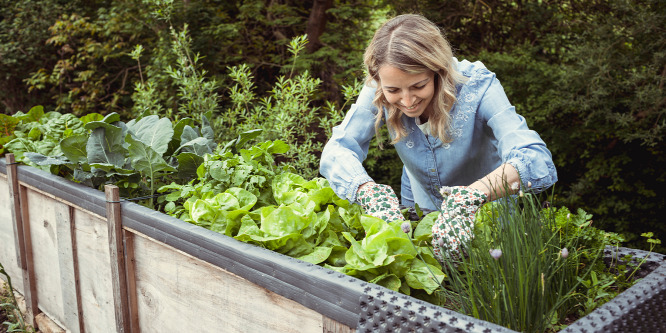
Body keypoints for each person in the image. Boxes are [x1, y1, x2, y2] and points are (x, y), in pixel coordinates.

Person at [318, 14, 558, 262]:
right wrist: (366, 191)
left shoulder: (478, 85)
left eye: (418, 86)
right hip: (420, 204)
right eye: (393, 90)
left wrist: (470, 197)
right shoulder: (379, 87)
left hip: (489, 217)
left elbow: (535, 157)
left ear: (437, 72)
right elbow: (337, 149)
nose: (407, 101)